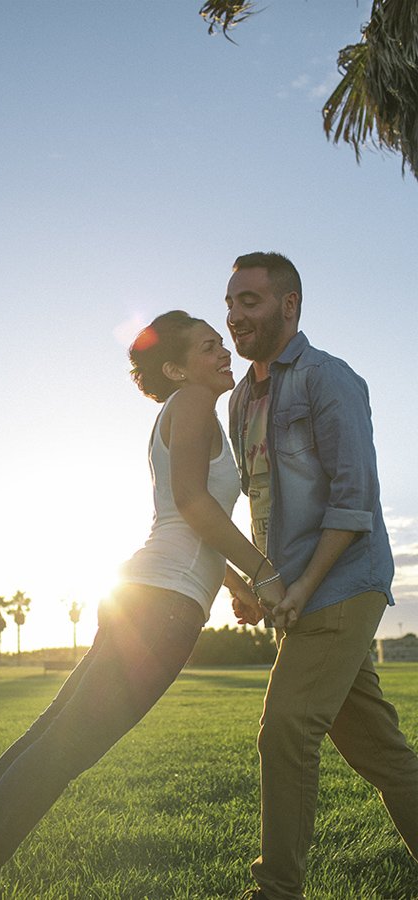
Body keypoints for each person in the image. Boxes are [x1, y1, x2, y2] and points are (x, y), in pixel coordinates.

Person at [0, 310, 285, 900]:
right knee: (58, 754)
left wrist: (238, 587)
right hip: (160, 609)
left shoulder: (186, 410)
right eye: (210, 347)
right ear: (175, 367)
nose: (225, 355)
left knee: (47, 743)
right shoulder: (191, 403)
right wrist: (265, 573)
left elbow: (187, 522)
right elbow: (192, 503)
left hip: (147, 597)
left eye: (223, 345)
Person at [223, 252, 418, 900]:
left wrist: (304, 587)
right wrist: (260, 582)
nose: (234, 315)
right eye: (230, 301)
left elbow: (353, 501)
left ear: (289, 306)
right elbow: (260, 503)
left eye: (249, 300)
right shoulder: (241, 400)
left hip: (342, 584)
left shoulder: (329, 380)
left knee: (285, 728)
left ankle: (274, 891)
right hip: (296, 595)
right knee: (382, 754)